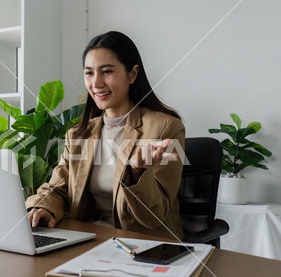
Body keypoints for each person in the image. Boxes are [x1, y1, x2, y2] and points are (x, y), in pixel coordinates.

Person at [26, 31, 185, 239]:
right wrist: (43, 208)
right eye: (89, 73)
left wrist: (137, 173)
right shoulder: (78, 135)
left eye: (107, 71)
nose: (96, 83)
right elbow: (58, 187)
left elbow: (155, 217)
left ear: (133, 74)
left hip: (143, 245)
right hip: (88, 240)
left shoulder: (167, 128)